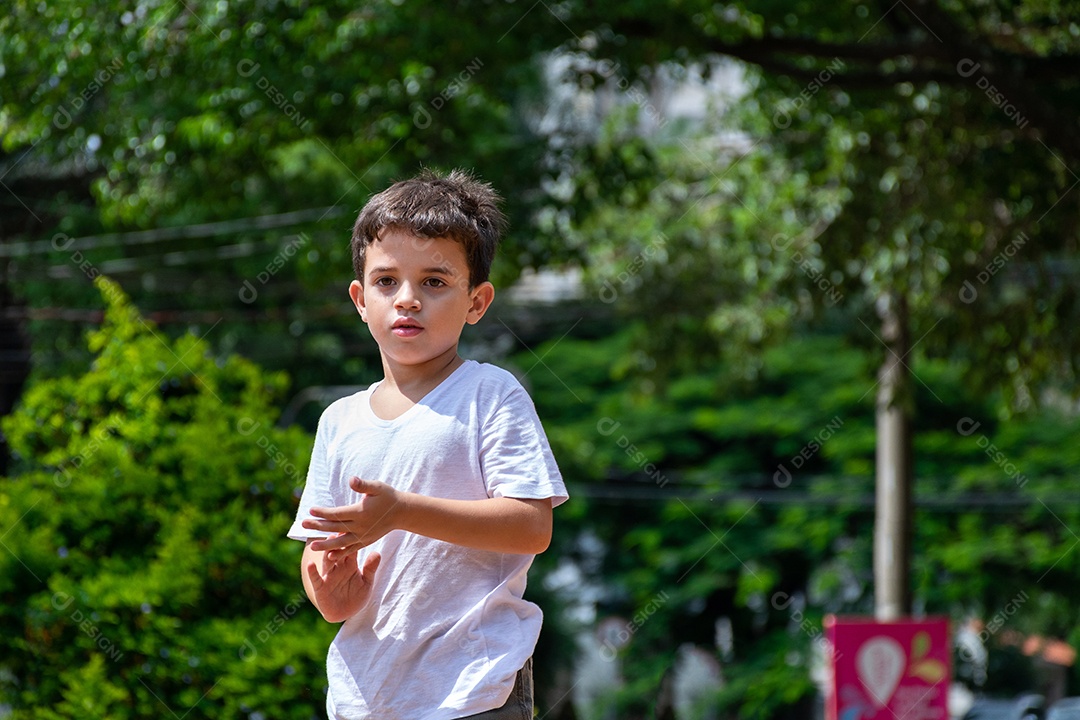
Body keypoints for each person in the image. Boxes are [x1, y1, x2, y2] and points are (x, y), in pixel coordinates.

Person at [288, 168, 568, 720]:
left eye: (434, 282)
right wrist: (330, 594)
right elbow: (319, 550)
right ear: (360, 299)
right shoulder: (337, 421)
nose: (408, 300)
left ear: (477, 301)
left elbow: (532, 527)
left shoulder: (491, 393)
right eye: (386, 281)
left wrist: (403, 512)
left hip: (473, 690)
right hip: (365, 695)